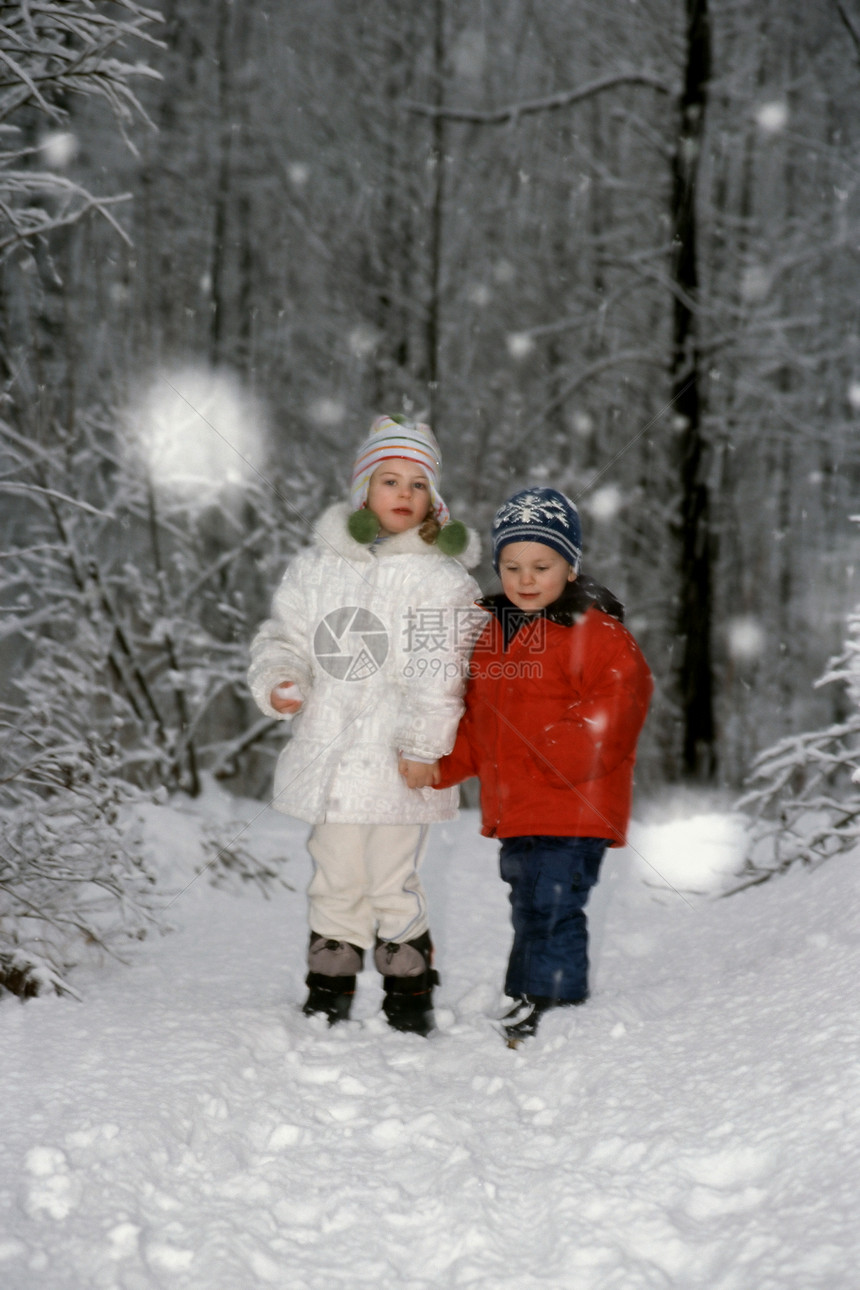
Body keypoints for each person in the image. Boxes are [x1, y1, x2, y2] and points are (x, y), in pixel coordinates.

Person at [248, 415, 481, 1035]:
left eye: (417, 483)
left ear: (434, 499)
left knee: (390, 878)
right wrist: (280, 678)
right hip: (330, 755)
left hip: (399, 763)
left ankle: (409, 990)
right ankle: (330, 985)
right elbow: (284, 638)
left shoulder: (442, 581)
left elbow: (443, 675)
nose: (403, 493)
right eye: (388, 480)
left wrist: (424, 746)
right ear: (362, 492)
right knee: (334, 871)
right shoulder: (318, 570)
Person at [434, 486, 653, 1046]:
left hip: (571, 804)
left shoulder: (595, 633)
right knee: (531, 902)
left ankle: (550, 1002)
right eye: (511, 565)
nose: (525, 578)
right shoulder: (490, 633)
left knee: (551, 904)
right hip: (521, 808)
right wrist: (439, 766)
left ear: (570, 565)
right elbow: (477, 723)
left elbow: (619, 704)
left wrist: (552, 750)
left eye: (541, 565)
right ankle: (534, 993)